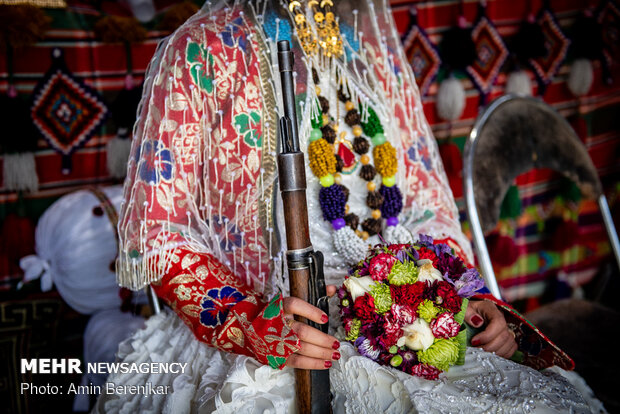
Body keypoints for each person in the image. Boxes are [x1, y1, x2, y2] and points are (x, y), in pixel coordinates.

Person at [96, 0, 604, 412]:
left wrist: (462, 297)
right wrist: (247, 321)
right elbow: (160, 234)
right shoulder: (199, 50)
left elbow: (427, 210)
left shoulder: (363, 46)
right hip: (278, 328)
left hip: (409, 318)